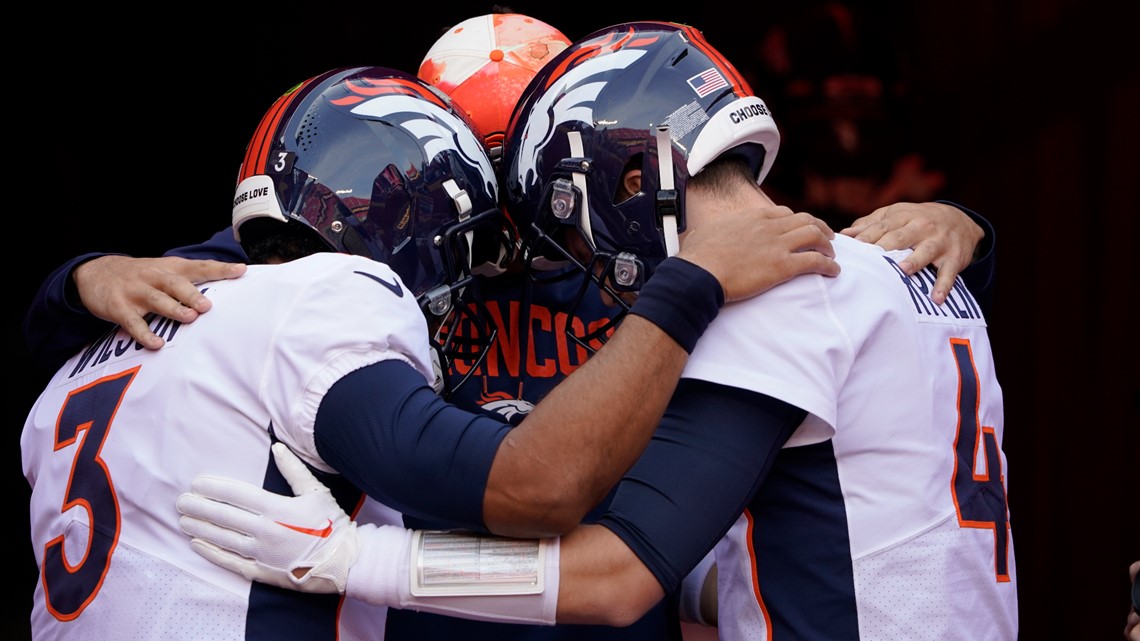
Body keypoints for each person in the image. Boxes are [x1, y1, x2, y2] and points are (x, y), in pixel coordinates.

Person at [23, 14, 995, 641]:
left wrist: (968, 231)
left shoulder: (724, 278)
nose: (503, 209)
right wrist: (81, 277)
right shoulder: (341, 279)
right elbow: (267, 262)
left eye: (519, 169)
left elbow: (626, 567)